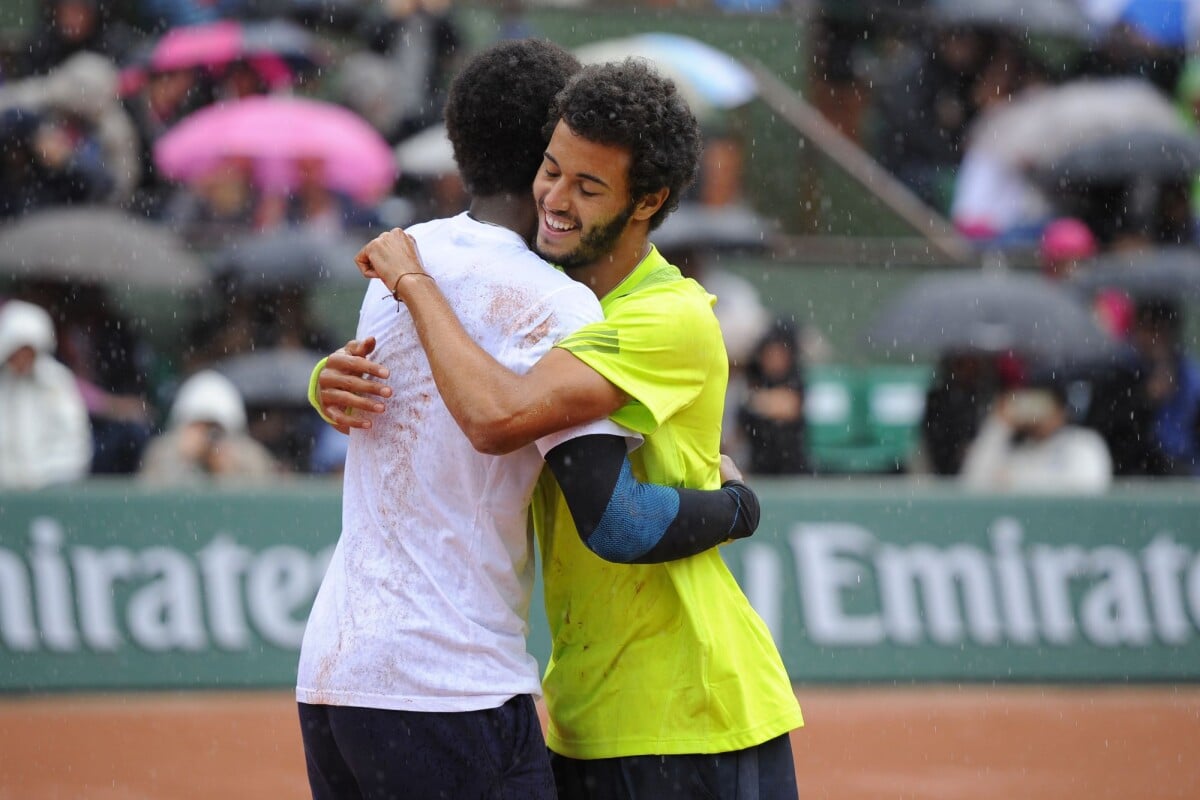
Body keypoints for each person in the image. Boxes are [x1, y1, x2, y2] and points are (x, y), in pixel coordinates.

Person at [297, 40, 763, 800]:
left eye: (584, 179)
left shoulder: (404, 254)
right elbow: (613, 518)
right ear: (551, 140)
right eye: (559, 167)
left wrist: (330, 374)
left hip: (334, 672)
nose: (562, 192)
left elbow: (382, 388)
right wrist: (739, 507)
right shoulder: (552, 301)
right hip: (453, 683)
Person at [960, 374, 1113, 494]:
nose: (1037, 411)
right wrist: (999, 425)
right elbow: (972, 483)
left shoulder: (1083, 444)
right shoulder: (1022, 452)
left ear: (1060, 409)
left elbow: (1088, 489)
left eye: (1044, 402)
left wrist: (1018, 483)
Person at [0, 300, 92, 490]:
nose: (21, 359)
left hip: (51, 491)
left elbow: (75, 442)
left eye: (27, 351)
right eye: (16, 351)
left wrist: (41, 477)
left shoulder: (56, 381)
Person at [138, 369, 277, 485]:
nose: (208, 436)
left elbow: (263, 501)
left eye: (215, 428)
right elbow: (149, 499)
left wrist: (229, 472)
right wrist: (181, 460)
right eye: (200, 427)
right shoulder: (163, 451)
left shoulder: (249, 456)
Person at [738, 317, 810, 475]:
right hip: (759, 468)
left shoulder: (795, 378)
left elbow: (788, 406)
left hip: (793, 470)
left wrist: (755, 400)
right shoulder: (755, 378)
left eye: (780, 353)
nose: (774, 358)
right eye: (770, 353)